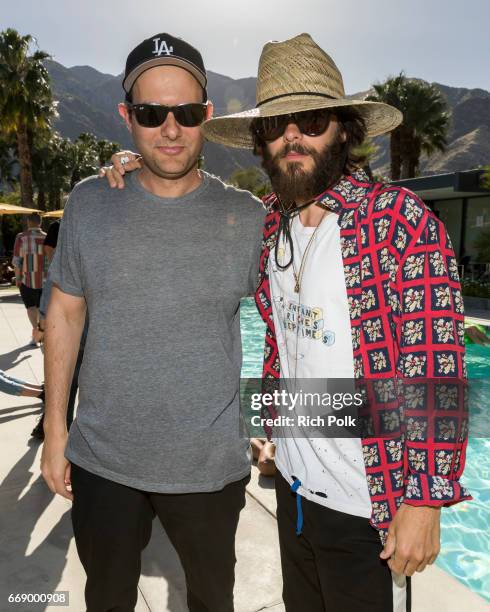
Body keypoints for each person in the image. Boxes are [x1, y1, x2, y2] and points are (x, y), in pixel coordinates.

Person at [201, 33, 471, 612]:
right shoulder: (272, 225)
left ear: (345, 130)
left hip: (366, 511)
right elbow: (285, 344)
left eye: (312, 118)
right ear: (261, 143)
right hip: (294, 494)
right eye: (276, 125)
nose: (292, 136)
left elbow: (436, 369)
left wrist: (423, 501)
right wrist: (273, 424)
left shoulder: (399, 222)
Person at [41, 32, 265, 612]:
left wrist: (279, 423)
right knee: (106, 599)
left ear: (208, 117)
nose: (170, 129)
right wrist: (56, 429)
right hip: (102, 461)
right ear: (127, 117)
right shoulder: (91, 202)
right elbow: (64, 311)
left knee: (212, 601)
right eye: (151, 112)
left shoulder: (247, 218)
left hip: (209, 468)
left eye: (186, 113)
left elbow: (292, 323)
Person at [12, 212, 47, 344]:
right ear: (40, 222)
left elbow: (17, 261)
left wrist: (17, 278)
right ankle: (41, 333)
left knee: (31, 307)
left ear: (28, 222)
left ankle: (35, 334)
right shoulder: (48, 238)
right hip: (45, 281)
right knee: (40, 308)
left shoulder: (21, 237)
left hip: (27, 280)